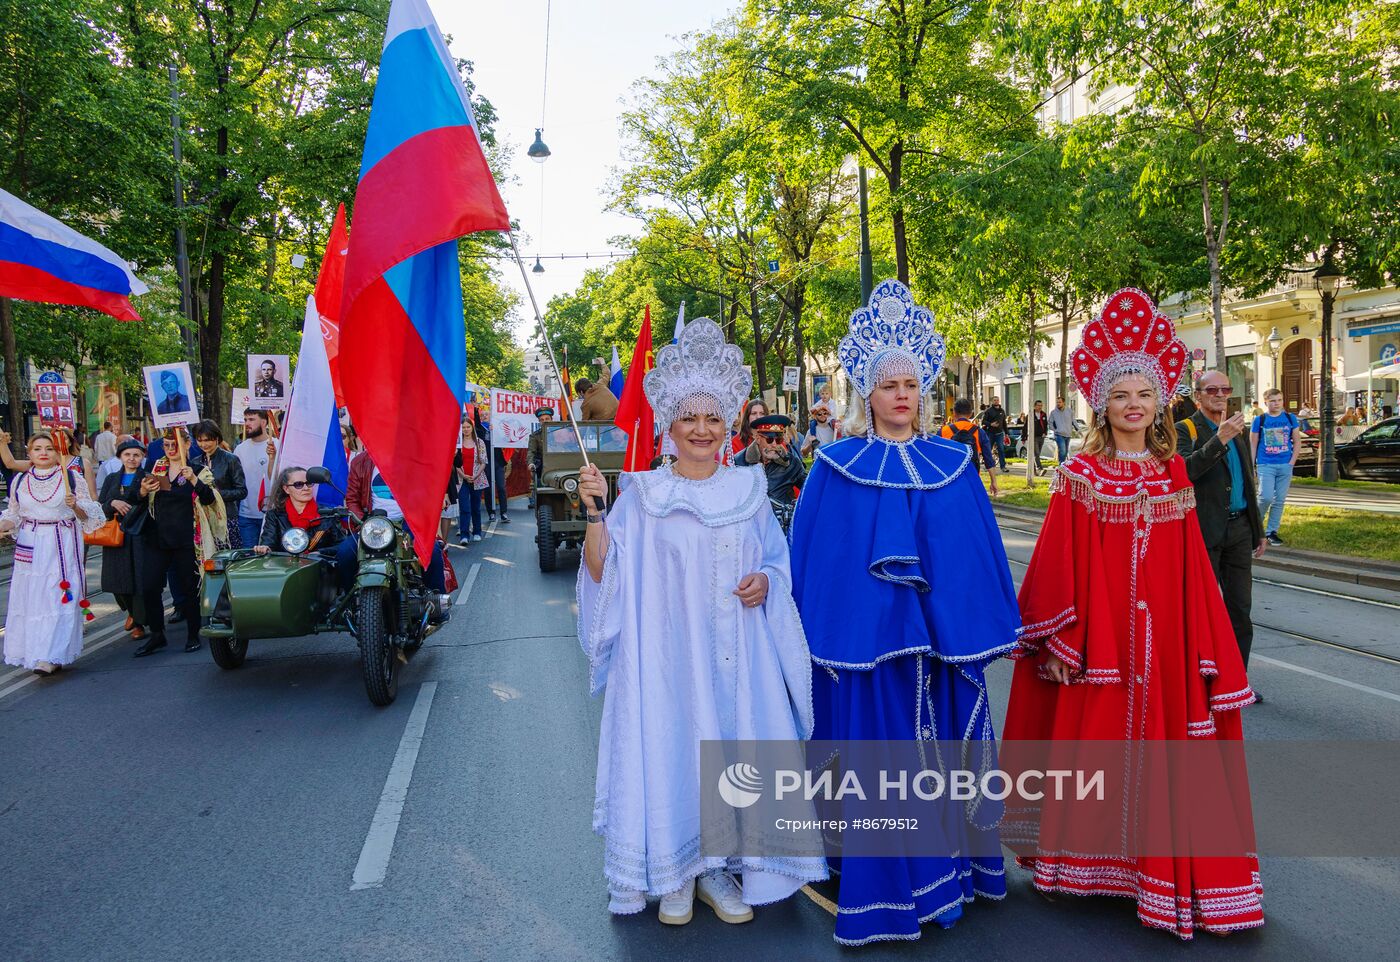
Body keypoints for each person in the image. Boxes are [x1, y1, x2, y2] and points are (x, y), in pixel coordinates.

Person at [1003, 288, 1262, 939]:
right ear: (1103, 403)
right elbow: (1057, 570)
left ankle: (1158, 870)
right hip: (1102, 648)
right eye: (1122, 395)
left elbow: (1194, 576)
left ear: (1159, 402)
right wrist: (1063, 645)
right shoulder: (1080, 476)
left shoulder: (1173, 475)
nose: (1134, 405)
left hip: (1166, 652)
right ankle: (1087, 867)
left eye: (1145, 394)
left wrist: (1207, 648)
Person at [788, 280, 1022, 946]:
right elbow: (817, 560)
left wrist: (966, 624)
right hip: (869, 651)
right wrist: (826, 637)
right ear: (868, 392)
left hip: (943, 651)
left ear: (923, 394)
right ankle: (892, 890)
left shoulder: (952, 463)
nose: (900, 394)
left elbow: (976, 553)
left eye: (911, 384)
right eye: (888, 384)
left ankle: (955, 872)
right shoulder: (835, 465)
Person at [576, 317, 826, 924]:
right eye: (690, 417)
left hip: (739, 657)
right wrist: (593, 513)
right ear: (670, 423)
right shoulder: (641, 494)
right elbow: (606, 575)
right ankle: (677, 872)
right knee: (675, 748)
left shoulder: (747, 489)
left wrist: (765, 582)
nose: (702, 429)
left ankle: (718, 869)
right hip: (667, 660)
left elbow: (775, 561)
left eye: (713, 418)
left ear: (728, 423)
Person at [1178, 370, 1266, 672]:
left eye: (1225, 390)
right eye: (1212, 390)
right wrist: (1220, 438)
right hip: (1205, 530)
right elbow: (1184, 473)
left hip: (1239, 528)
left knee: (1240, 609)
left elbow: (1247, 482)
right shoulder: (1184, 429)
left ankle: (1237, 678)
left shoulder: (1237, 429)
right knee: (1201, 610)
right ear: (1198, 396)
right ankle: (1199, 676)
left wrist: (1258, 529)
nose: (1219, 395)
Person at [0, 433, 104, 674]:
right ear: (29, 453)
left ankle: (53, 654)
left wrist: (75, 505)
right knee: (33, 598)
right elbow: (13, 514)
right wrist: (3, 526)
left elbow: (91, 515)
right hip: (31, 542)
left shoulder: (70, 477)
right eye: (37, 448)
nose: (43, 452)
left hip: (61, 542)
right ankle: (36, 651)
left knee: (57, 595)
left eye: (49, 448)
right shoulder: (20, 481)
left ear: (58, 453)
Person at [130, 433, 226, 656]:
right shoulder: (156, 469)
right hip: (157, 538)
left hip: (186, 538)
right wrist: (144, 491)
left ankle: (193, 633)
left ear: (187, 445)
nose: (171, 448)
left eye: (175, 444)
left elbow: (211, 499)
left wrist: (193, 479)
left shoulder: (198, 470)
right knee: (149, 586)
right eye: (166, 445)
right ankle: (157, 634)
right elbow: (135, 499)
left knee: (189, 587)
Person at [345, 450, 448, 593]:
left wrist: (436, 498)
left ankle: (437, 601)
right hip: (373, 525)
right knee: (345, 554)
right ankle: (352, 601)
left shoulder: (412, 457)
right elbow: (352, 499)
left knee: (432, 552)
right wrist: (363, 521)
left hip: (409, 523)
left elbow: (427, 486)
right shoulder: (359, 462)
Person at [98, 438, 151, 642]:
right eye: (127, 454)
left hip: (138, 533)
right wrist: (113, 502)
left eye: (136, 455)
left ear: (142, 457)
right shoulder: (112, 478)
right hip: (114, 534)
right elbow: (101, 505)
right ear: (120, 457)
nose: (132, 459)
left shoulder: (146, 478)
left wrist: (132, 497)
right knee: (115, 580)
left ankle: (138, 622)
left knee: (136, 580)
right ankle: (129, 610)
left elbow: (146, 503)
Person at [1251, 388, 1300, 546]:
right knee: (1265, 497)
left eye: (1279, 400)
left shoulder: (1290, 418)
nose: (1276, 403)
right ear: (1266, 402)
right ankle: (1255, 528)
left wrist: (1291, 462)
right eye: (1272, 401)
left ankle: (1271, 531)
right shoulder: (1260, 420)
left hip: (1285, 464)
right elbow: (1253, 444)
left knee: (1279, 500)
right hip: (1266, 464)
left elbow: (1297, 441)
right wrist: (1251, 465)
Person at [190, 420, 248, 548]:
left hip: (226, 517)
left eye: (207, 440)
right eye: (200, 440)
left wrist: (216, 494)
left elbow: (242, 491)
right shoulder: (195, 462)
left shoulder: (230, 459)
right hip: (203, 519)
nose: (203, 444)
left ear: (217, 438)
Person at [233, 409, 279, 548]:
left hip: (274, 514)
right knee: (250, 560)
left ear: (264, 422)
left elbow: (278, 479)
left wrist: (272, 459)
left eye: (252, 419)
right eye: (245, 419)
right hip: (247, 516)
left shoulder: (277, 445)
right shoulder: (240, 449)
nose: (247, 423)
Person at [738, 413, 806, 505]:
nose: (774, 444)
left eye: (779, 440)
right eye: (769, 439)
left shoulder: (791, 462)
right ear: (758, 439)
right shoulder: (739, 461)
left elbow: (811, 488)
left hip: (781, 518)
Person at [939, 396, 1001, 496]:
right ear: (971, 413)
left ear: (954, 413)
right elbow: (989, 459)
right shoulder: (979, 432)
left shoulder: (943, 431)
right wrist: (993, 481)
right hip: (972, 480)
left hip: (948, 480)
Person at [456, 417, 488, 543]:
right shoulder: (457, 443)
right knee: (464, 508)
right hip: (461, 479)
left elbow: (483, 462)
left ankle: (477, 531)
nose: (466, 429)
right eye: (463, 427)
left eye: (468, 427)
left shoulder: (479, 442)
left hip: (477, 479)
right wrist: (464, 476)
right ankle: (464, 534)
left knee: (475, 507)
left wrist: (475, 475)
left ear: (472, 428)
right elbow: (454, 463)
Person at [526, 406, 554, 510]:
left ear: (552, 419)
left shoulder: (561, 432)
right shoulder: (535, 436)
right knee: (543, 494)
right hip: (544, 467)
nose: (544, 421)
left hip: (560, 465)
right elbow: (531, 451)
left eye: (547, 419)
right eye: (542, 420)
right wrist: (530, 463)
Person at [981, 395, 1009, 470]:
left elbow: (1004, 423)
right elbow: (983, 421)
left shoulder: (1002, 411)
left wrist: (1006, 433)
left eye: (997, 400)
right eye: (994, 400)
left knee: (1001, 449)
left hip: (999, 433)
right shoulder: (988, 411)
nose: (996, 401)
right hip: (990, 433)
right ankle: (988, 466)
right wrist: (991, 424)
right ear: (992, 402)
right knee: (988, 450)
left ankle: (1003, 466)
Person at [1048, 395, 1076, 463]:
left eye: (1060, 402)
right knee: (1062, 451)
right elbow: (1050, 422)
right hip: (1059, 435)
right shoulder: (1053, 412)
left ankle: (1062, 465)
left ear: (1064, 403)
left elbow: (1073, 421)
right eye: (1057, 402)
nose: (1058, 404)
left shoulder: (1069, 411)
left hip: (1068, 434)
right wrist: (1055, 430)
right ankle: (1061, 465)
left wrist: (1078, 429)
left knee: (1065, 452)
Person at [1030, 399, 1048, 471]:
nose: (1040, 407)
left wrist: (1045, 432)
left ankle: (1033, 467)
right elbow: (1026, 425)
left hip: (1041, 436)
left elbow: (1045, 424)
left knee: (1038, 453)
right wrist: (1024, 436)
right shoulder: (1031, 414)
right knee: (1036, 453)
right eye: (1038, 405)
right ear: (1034, 406)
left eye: (1041, 405)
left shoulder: (1043, 414)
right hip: (1033, 436)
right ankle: (1039, 467)